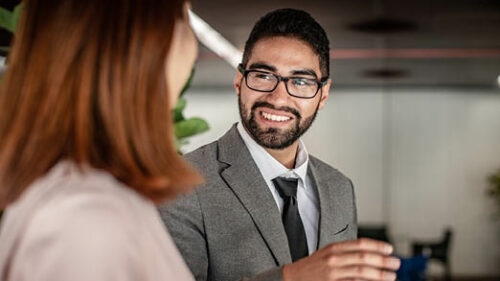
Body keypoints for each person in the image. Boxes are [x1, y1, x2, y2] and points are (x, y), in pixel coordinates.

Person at [159, 8, 401, 281]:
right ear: (240, 81)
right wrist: (290, 277)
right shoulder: (181, 184)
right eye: (263, 75)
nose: (278, 98)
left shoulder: (340, 189)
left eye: (300, 81)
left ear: (323, 94)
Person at [0, 0, 201, 280]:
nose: (193, 46)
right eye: (184, 16)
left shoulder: (85, 199)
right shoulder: (85, 220)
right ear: (141, 43)